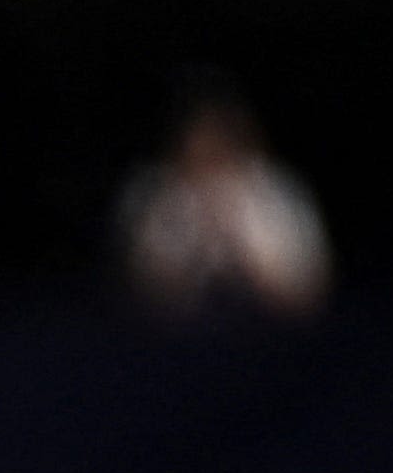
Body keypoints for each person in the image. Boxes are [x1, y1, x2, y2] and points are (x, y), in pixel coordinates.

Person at [118, 87, 329, 319]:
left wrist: (240, 247)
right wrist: (199, 244)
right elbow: (139, 291)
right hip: (178, 342)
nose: (210, 149)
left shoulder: (277, 191)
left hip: (272, 338)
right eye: (198, 138)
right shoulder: (156, 191)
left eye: (221, 137)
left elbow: (309, 291)